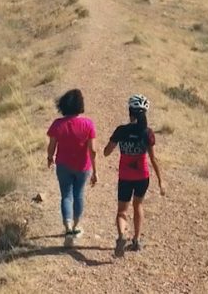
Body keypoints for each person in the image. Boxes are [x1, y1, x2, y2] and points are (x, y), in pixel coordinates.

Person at [104, 93, 166, 257]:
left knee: (121, 212)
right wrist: (161, 181)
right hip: (142, 176)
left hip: (125, 177)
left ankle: (122, 235)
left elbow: (106, 152)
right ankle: (136, 240)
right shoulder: (148, 133)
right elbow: (153, 159)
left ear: (129, 112)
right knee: (138, 205)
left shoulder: (121, 131)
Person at [46, 89, 98, 238]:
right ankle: (75, 226)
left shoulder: (57, 124)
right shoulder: (88, 124)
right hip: (83, 167)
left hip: (63, 165)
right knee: (79, 194)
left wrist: (50, 157)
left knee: (66, 196)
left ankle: (67, 226)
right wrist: (95, 171)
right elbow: (93, 150)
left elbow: (52, 145)